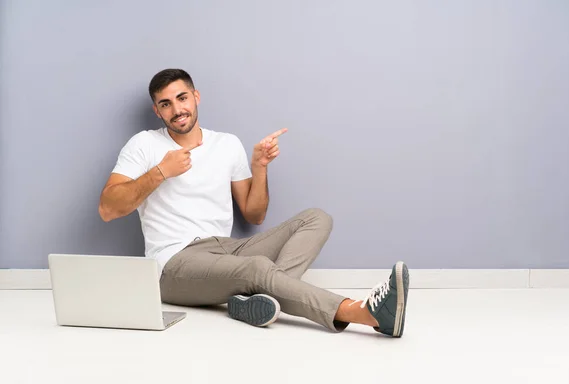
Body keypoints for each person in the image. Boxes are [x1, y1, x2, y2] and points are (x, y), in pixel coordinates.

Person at [98, 68, 410, 337]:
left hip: (225, 249)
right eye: (165, 104)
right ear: (157, 111)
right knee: (257, 268)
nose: (177, 110)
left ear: (196, 96)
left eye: (182, 98)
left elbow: (254, 214)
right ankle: (365, 313)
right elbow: (108, 209)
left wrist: (259, 167)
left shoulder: (227, 144)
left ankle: (258, 300)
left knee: (316, 218)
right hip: (173, 265)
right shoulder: (145, 145)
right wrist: (161, 171)